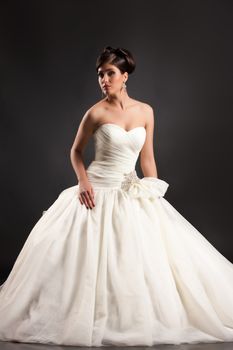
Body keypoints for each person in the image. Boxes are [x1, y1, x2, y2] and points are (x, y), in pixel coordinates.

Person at [0, 46, 233, 347]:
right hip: (96, 190)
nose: (104, 80)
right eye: (100, 74)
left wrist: (153, 191)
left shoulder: (146, 111)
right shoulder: (95, 112)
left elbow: (147, 158)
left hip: (131, 189)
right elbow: (75, 151)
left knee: (146, 260)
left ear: (125, 76)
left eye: (110, 73)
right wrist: (83, 182)